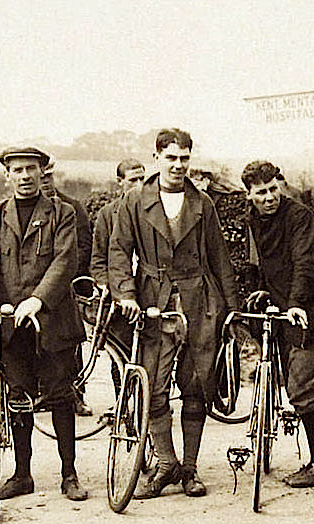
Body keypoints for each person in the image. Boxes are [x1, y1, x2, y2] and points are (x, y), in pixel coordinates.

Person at [109, 128, 240, 499]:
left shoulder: (203, 204)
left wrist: (231, 312)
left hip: (199, 301)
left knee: (196, 384)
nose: (178, 165)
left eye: (184, 158)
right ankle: (165, 464)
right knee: (153, 386)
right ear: (157, 159)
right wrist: (126, 294)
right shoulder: (135, 201)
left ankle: (191, 469)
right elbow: (118, 253)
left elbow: (220, 260)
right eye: (171, 158)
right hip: (153, 302)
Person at [0, 145, 89, 501]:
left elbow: (65, 261)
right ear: (7, 175)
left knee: (60, 396)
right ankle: (22, 474)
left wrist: (37, 300)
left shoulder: (62, 213)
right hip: (11, 323)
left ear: (42, 172)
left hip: (53, 320)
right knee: (16, 395)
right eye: (17, 170)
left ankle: (69, 473)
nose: (24, 176)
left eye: (31, 169)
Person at [240, 160, 314, 488]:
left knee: (303, 390)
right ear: (249, 194)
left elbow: (306, 263)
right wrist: (259, 290)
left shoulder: (299, 216)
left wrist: (296, 303)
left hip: (309, 312)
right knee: (291, 383)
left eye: (272, 189)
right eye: (260, 193)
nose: (268, 197)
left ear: (279, 185)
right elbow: (259, 263)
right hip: (279, 310)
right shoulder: (252, 220)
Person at [41, 158, 95, 417]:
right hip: (36, 290)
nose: (44, 182)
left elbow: (84, 246)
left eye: (48, 177)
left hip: (68, 288)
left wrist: (63, 276)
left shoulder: (73, 207)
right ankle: (41, 394)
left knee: (71, 345)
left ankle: (77, 396)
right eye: (42, 178)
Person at [89, 159, 144, 287]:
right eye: (133, 180)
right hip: (118, 286)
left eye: (142, 179)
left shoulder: (153, 210)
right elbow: (98, 258)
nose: (139, 185)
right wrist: (105, 284)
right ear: (120, 181)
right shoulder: (107, 213)